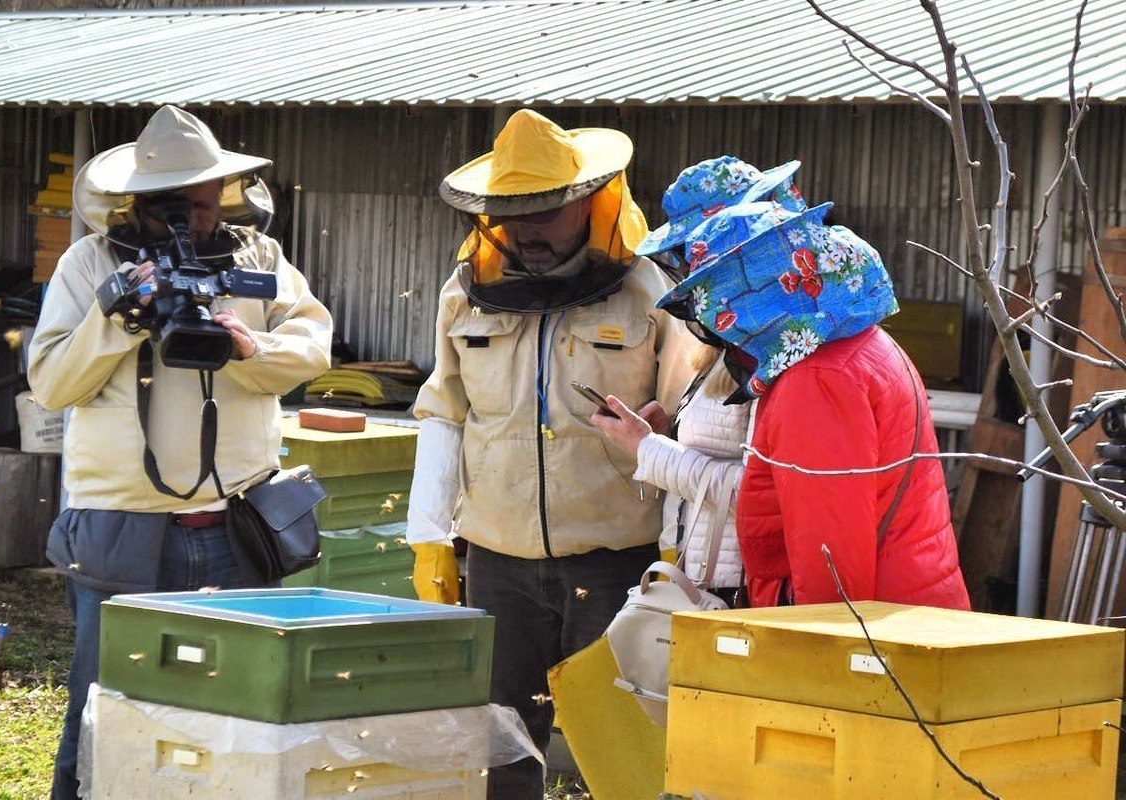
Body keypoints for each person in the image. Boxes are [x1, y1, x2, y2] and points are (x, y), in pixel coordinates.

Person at [27, 105, 333, 799]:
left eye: (200, 201)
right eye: (173, 204)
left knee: (242, 712)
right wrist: (118, 321)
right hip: (122, 528)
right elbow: (49, 385)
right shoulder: (89, 262)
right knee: (105, 709)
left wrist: (249, 349)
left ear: (221, 193)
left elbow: (311, 348)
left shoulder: (260, 258)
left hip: (240, 525)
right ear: (136, 201)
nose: (189, 218)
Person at [406, 109, 692, 799]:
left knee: (624, 749)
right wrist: (429, 537)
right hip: (498, 561)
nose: (526, 229)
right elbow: (444, 413)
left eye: (544, 210)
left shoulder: (650, 292)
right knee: (500, 745)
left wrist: (677, 552)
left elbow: (684, 424)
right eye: (511, 213)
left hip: (618, 560)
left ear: (590, 203)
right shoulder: (463, 292)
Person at [646, 154, 970, 611]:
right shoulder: (845, 344)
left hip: (875, 643)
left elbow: (831, 576)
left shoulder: (816, 379)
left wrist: (810, 669)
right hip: (898, 622)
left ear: (746, 292)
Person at [591, 156, 809, 600]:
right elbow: (719, 449)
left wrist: (645, 447)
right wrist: (666, 435)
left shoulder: (781, 350)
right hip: (704, 573)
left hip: (745, 587)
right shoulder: (725, 337)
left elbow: (761, 495)